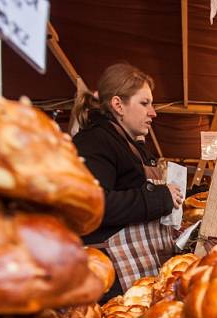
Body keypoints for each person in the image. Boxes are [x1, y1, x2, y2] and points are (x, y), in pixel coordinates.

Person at [70, 63, 183, 298]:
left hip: (137, 268)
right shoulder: (94, 142)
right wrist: (160, 197)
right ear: (118, 105)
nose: (153, 112)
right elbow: (93, 204)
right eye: (145, 103)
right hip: (111, 277)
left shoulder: (132, 145)